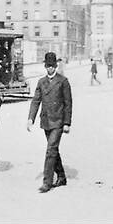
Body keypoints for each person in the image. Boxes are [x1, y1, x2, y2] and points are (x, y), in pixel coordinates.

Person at [28, 52, 72, 193]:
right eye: (48, 66)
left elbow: (68, 103)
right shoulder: (41, 82)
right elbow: (36, 101)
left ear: (56, 66)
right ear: (45, 66)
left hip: (58, 121)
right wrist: (31, 119)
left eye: (52, 66)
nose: (50, 69)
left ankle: (47, 182)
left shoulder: (63, 81)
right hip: (46, 120)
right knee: (53, 150)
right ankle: (61, 176)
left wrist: (67, 123)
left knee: (50, 150)